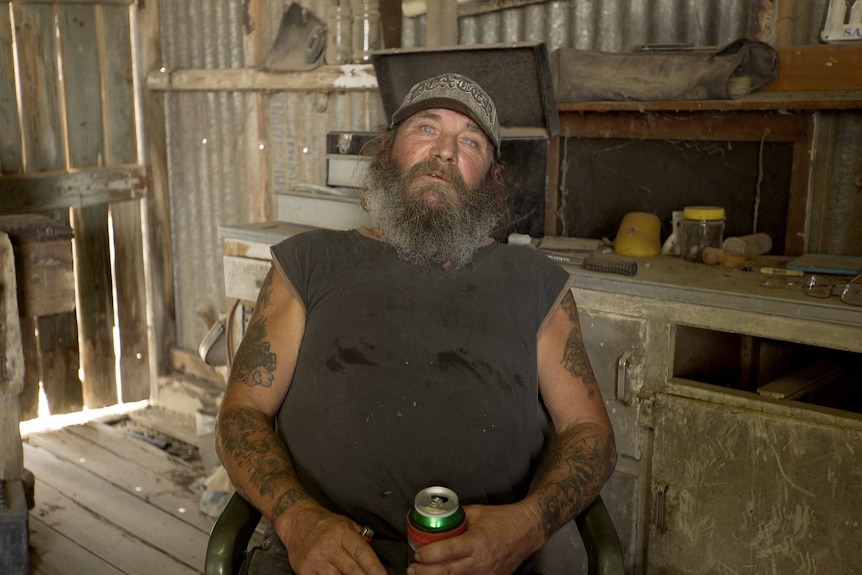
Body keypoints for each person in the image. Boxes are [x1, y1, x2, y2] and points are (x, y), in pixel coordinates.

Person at [215, 72, 617, 575]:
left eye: (469, 140)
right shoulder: (309, 264)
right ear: (389, 149)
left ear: (492, 176)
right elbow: (241, 412)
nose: (446, 151)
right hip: (320, 559)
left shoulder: (535, 282)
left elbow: (590, 432)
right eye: (426, 128)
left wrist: (526, 526)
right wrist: (297, 519)